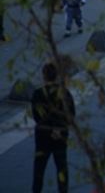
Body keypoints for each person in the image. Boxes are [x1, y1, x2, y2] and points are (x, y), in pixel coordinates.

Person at [31, 62, 75, 193]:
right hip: (60, 135)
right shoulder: (65, 93)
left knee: (39, 169)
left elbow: (37, 116)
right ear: (57, 76)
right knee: (61, 168)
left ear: (44, 76)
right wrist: (58, 129)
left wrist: (50, 129)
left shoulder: (38, 94)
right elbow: (71, 114)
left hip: (43, 137)